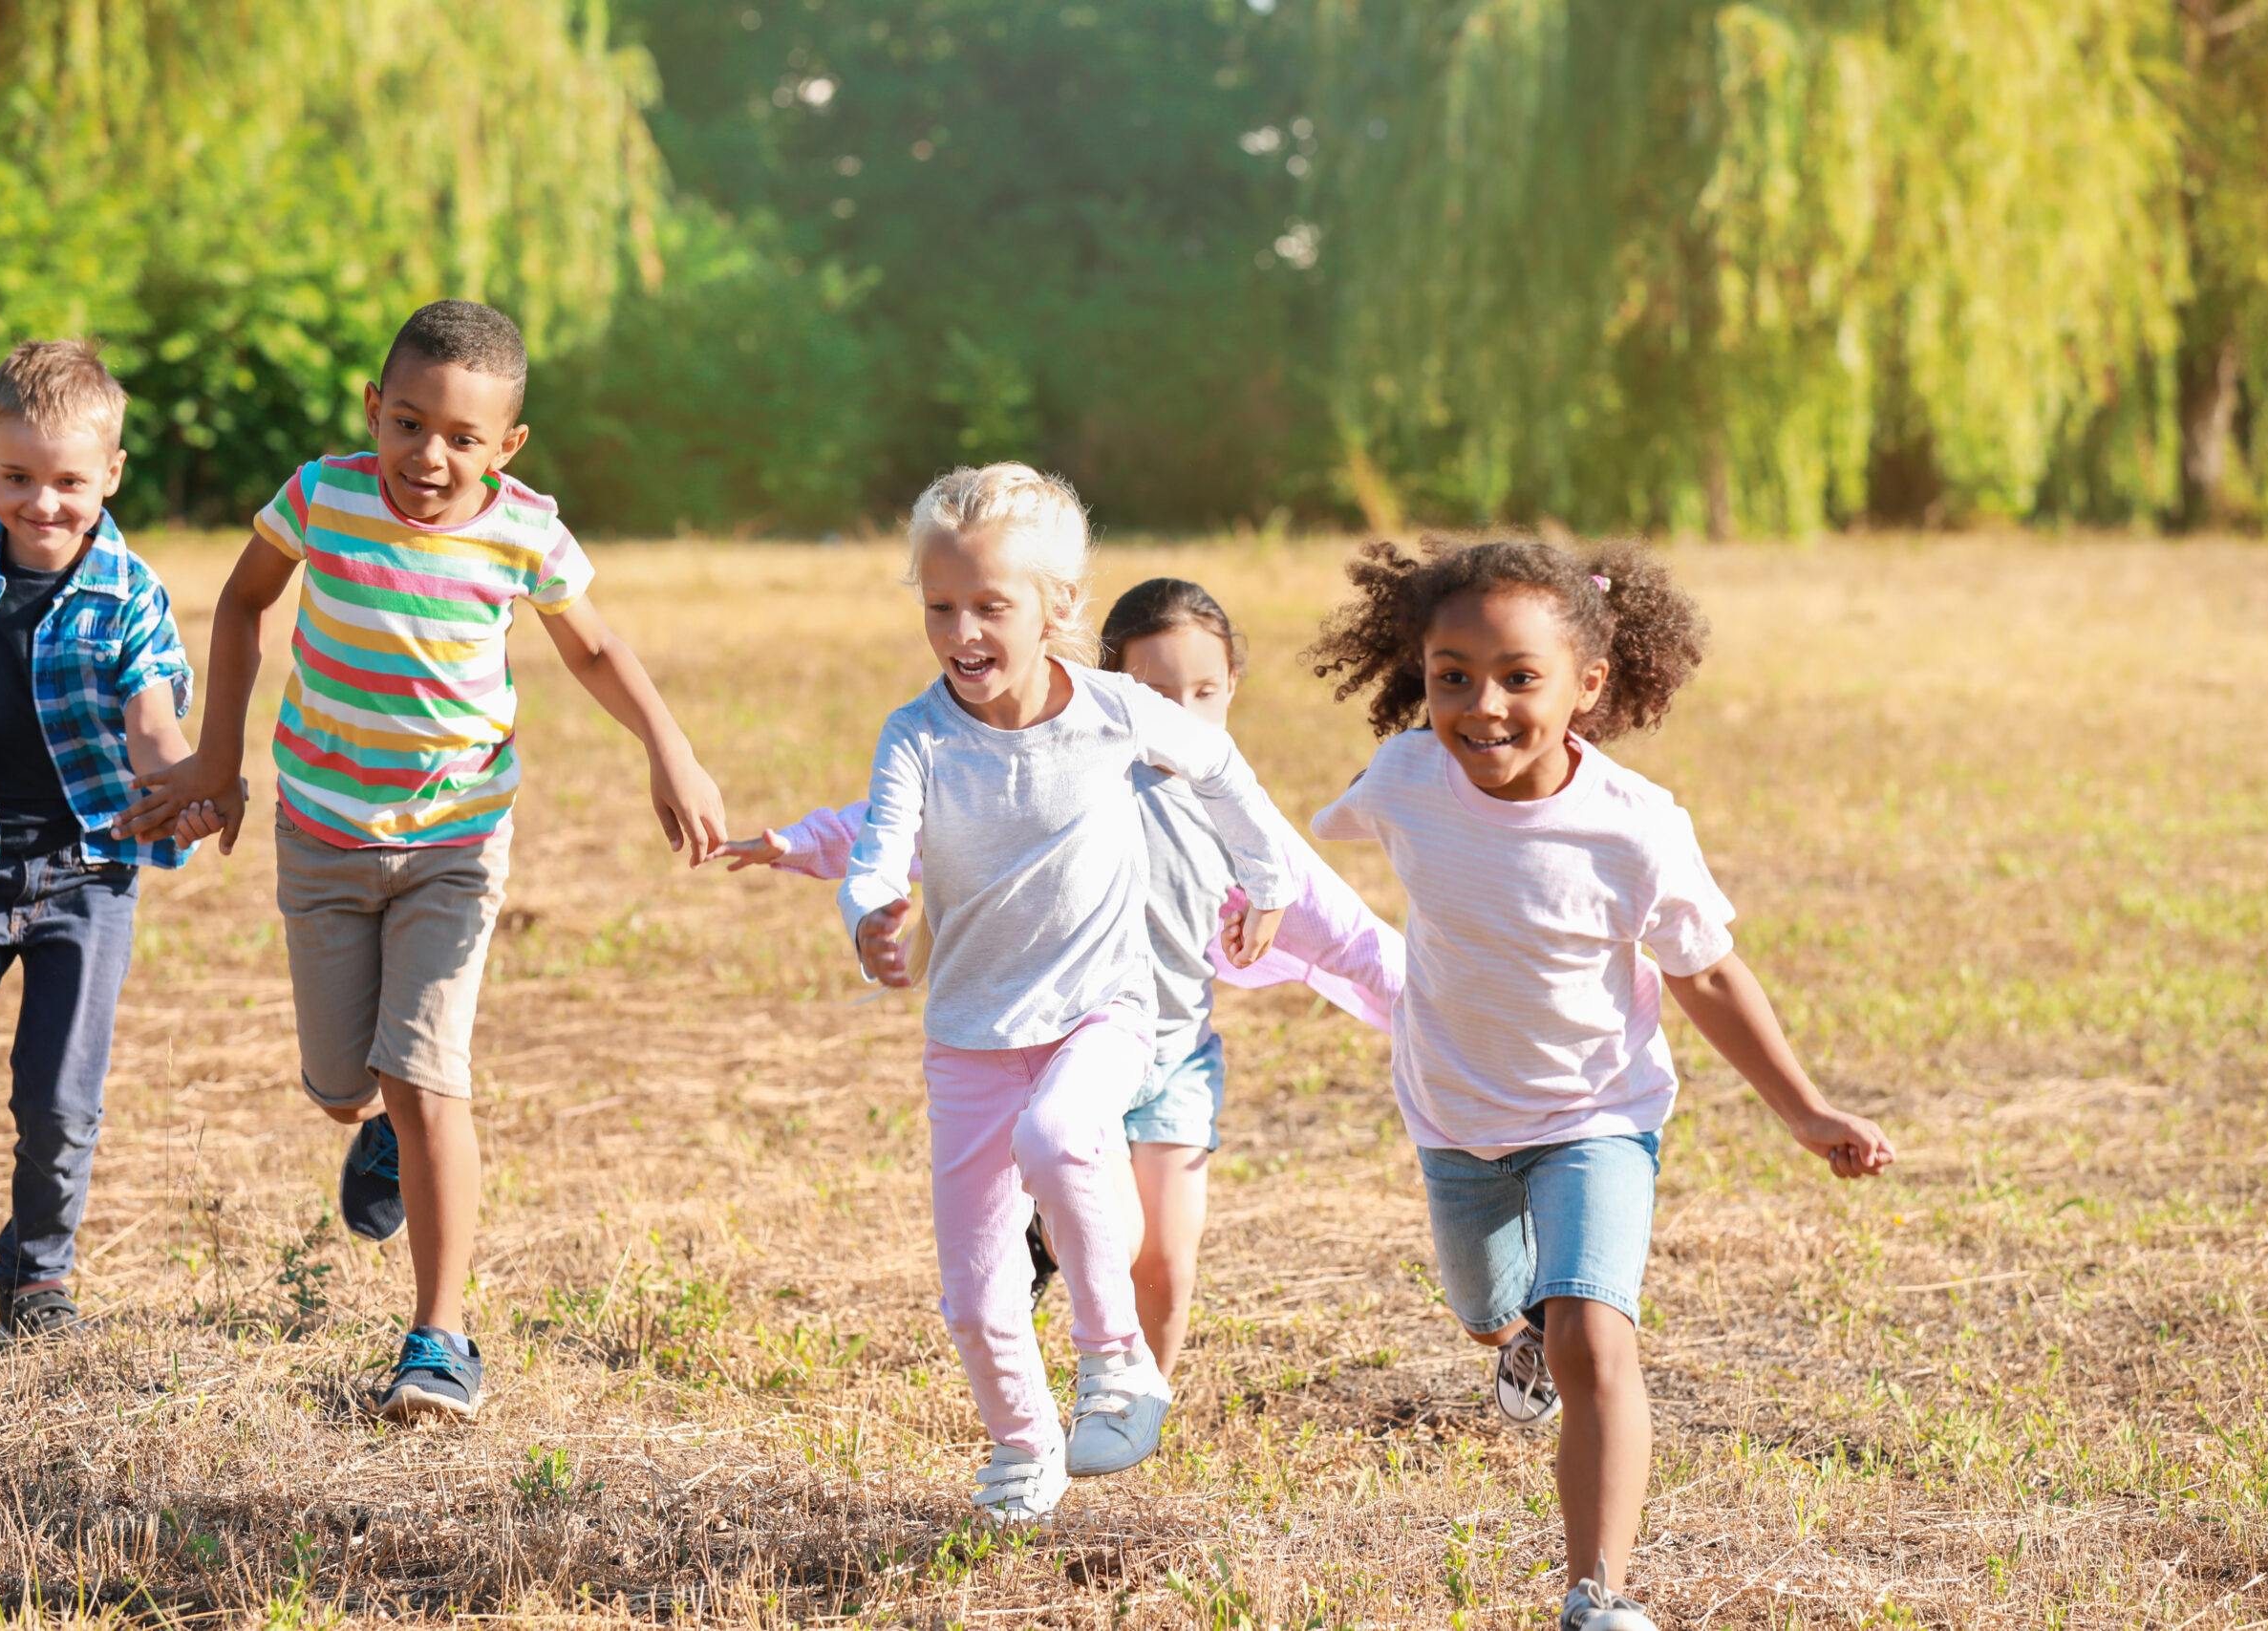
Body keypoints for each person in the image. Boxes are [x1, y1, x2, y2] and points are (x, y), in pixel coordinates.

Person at [115, 300, 728, 1421]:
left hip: (455, 841)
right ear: (372, 411)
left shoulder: (526, 531)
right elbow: (247, 600)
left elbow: (592, 645)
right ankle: (381, 1130)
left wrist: (669, 750)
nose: (427, 456)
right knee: (342, 1088)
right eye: (406, 423)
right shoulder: (324, 496)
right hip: (322, 832)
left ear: (507, 447)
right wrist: (217, 756)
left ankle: (439, 1337)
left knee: (429, 1073)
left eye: (459, 437)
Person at [1305, 535, 1896, 1631]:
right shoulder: (1404, 779)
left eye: (1519, 678)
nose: (1482, 707)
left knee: (1593, 1336)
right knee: (1491, 1312)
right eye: (1452, 677)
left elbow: (1708, 971)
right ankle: (1511, 1342)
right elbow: (1300, 850)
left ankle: (1599, 1594)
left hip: (1596, 1117)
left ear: (1586, 685)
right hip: (1453, 1112)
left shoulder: (1633, 828)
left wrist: (1806, 1111)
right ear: (1420, 674)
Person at [717, 576, 1405, 1385]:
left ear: (1231, 692)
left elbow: (1349, 930)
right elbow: (899, 821)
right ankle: (1057, 1247)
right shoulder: (1063, 769)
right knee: (1125, 1238)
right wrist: (799, 843)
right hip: (1071, 1051)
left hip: (1178, 1061)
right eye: (1156, 692)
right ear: (1112, 689)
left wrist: (1445, 1010)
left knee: (1167, 1266)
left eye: (1204, 692)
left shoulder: (1238, 816)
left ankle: (1136, 1404)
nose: (1180, 713)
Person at [836, 465, 1292, 1524]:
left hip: (1103, 1015)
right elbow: (878, 845)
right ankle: (1022, 1444)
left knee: (1058, 1139)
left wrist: (1263, 879)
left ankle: (1115, 1357)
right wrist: (871, 911)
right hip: (969, 1040)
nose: (963, 632)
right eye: (939, 607)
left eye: (991, 606)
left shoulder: (1116, 711)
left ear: (1058, 609)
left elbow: (1222, 771)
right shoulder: (918, 734)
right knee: (977, 1291)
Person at [0, 339, 218, 1335]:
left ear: (110, 474)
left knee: (61, 1100)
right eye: (18, 477)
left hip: (87, 874)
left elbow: (153, 729)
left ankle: (39, 1279)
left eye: (69, 481)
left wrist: (180, 790)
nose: (43, 504)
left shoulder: (129, 596)